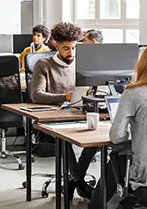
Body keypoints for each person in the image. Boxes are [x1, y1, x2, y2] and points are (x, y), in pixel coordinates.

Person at [88, 40, 147, 209]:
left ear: (142, 63)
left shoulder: (133, 92)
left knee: (116, 159)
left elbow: (117, 137)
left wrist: (139, 134)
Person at [31, 21, 97, 199]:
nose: (71, 53)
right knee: (64, 140)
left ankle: (74, 181)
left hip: (78, 113)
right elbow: (36, 95)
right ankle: (80, 182)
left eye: (74, 48)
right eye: (66, 49)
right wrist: (64, 97)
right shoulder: (43, 65)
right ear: (57, 45)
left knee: (98, 138)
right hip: (52, 118)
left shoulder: (81, 64)